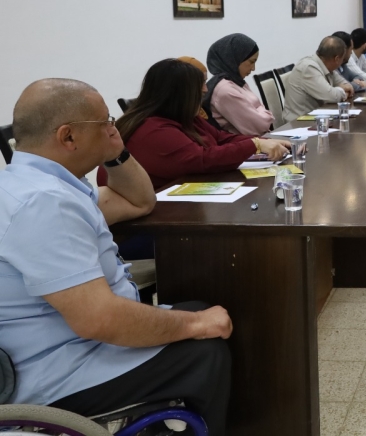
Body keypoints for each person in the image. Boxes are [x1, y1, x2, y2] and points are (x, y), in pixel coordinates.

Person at [0, 79, 233, 434]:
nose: (114, 128)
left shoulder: (36, 184)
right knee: (206, 350)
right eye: (106, 122)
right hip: (54, 376)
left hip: (65, 346)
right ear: (68, 137)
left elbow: (140, 201)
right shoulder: (44, 205)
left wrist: (117, 152)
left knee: (196, 307)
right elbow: (98, 320)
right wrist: (197, 325)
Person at [110, 60, 289, 189]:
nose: (205, 90)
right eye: (199, 88)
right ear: (178, 95)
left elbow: (220, 138)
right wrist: (255, 144)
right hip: (158, 214)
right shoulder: (152, 129)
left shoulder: (184, 117)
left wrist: (263, 142)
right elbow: (202, 159)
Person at [204, 33, 274, 136]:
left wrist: (259, 112)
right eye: (251, 62)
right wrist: (261, 111)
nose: (253, 68)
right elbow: (260, 127)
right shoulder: (224, 89)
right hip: (248, 146)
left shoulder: (236, 81)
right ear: (234, 58)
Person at [282, 36, 356, 124]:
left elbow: (346, 85)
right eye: (342, 59)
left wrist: (341, 89)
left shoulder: (327, 66)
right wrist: (342, 90)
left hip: (317, 119)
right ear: (336, 59)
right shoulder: (309, 68)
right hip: (299, 123)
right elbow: (332, 96)